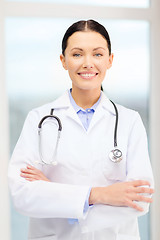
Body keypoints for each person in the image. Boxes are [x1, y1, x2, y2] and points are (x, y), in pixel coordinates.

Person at [8, 19, 154, 240]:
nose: (88, 63)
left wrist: (55, 193)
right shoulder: (39, 120)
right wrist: (99, 194)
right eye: (77, 54)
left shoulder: (129, 121)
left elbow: (140, 199)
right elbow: (22, 195)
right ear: (63, 61)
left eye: (97, 54)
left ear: (110, 60)